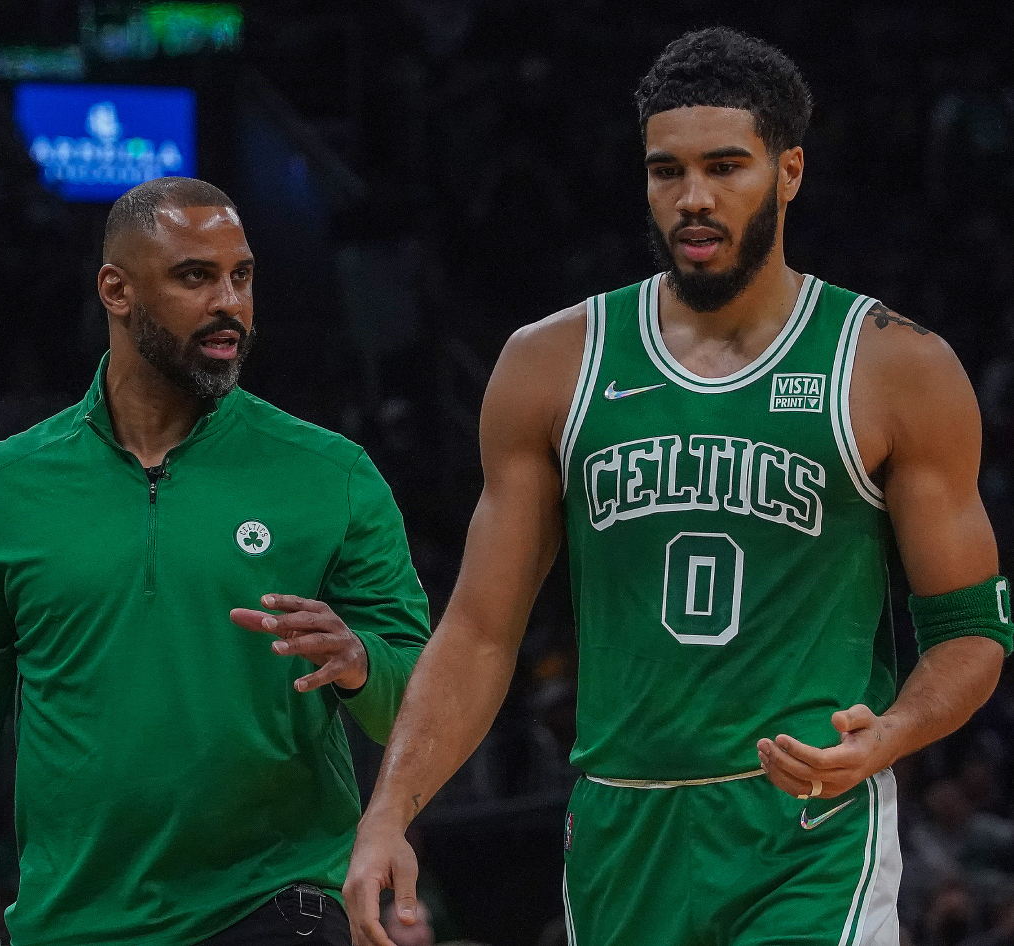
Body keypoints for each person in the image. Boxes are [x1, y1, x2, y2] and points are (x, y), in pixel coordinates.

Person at [344, 27, 1011, 946]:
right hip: (623, 829)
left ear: (790, 172)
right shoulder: (551, 363)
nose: (693, 199)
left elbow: (971, 633)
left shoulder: (896, 366)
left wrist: (893, 733)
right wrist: (390, 811)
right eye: (667, 171)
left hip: (807, 831)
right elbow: (480, 631)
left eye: (726, 167)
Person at [0, 177, 430, 946]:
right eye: (195, 276)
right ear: (116, 290)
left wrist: (362, 662)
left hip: (274, 907)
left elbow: (425, 704)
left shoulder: (331, 475)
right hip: (72, 925)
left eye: (243, 276)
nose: (230, 302)